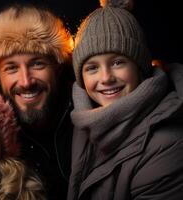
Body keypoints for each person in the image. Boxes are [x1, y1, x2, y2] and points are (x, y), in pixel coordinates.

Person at [67, 0, 183, 199]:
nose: (105, 78)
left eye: (118, 62)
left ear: (140, 66)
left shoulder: (167, 145)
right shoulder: (84, 119)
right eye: (92, 68)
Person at [0, 4, 74, 199]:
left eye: (37, 64)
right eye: (11, 68)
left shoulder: (91, 113)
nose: (26, 81)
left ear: (57, 67)